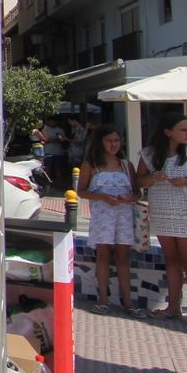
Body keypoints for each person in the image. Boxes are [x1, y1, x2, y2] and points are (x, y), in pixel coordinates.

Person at [136, 111, 187, 329]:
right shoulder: (149, 154)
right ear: (168, 132)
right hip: (162, 211)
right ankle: (173, 306)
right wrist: (152, 178)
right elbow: (138, 181)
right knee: (171, 260)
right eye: (183, 129)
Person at [78, 125, 142, 317]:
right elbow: (81, 191)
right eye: (109, 141)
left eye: (116, 140)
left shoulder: (126, 166)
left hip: (124, 215)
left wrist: (128, 198)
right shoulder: (91, 165)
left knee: (123, 256)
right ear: (100, 142)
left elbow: (137, 193)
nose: (113, 145)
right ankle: (103, 299)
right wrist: (103, 197)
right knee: (103, 255)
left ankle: (128, 301)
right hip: (102, 216)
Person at [41, 115, 68, 192]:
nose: (52, 123)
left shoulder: (60, 130)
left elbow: (62, 140)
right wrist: (52, 140)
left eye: (54, 121)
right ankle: (47, 184)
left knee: (58, 168)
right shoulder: (45, 129)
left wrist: (52, 140)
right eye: (51, 121)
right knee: (48, 168)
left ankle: (59, 184)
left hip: (58, 152)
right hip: (47, 152)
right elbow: (44, 140)